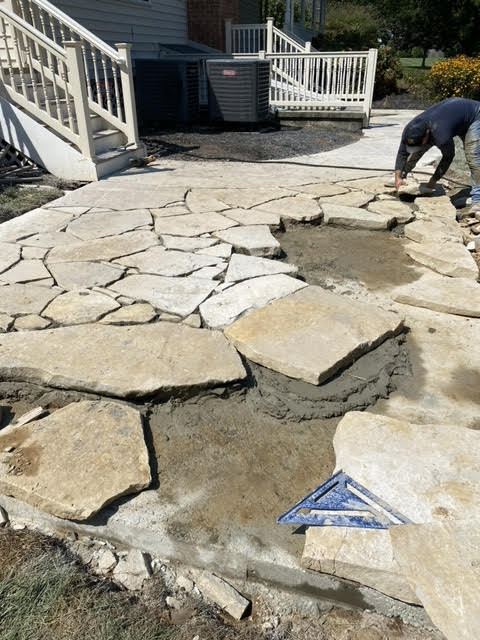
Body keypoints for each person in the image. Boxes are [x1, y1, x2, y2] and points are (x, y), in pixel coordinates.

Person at [394, 97, 480, 212]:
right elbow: (402, 152)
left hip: (475, 115)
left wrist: (433, 182)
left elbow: (448, 157)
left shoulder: (441, 135)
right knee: (417, 150)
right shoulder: (410, 129)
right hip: (453, 116)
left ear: (427, 134)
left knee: (473, 158)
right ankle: (403, 177)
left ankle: (477, 200)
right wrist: (398, 177)